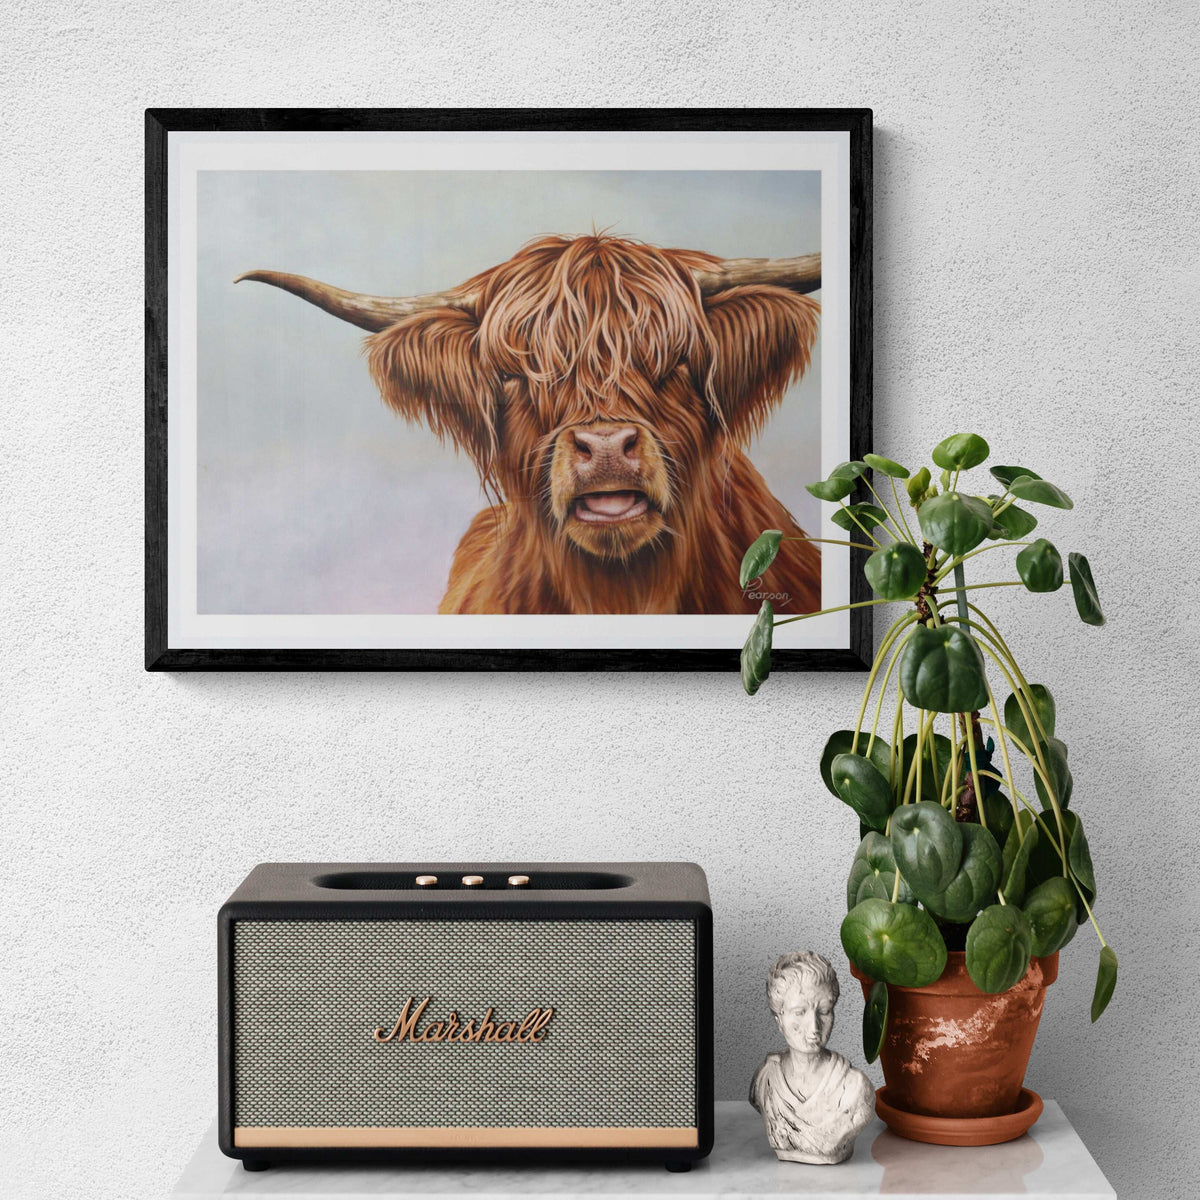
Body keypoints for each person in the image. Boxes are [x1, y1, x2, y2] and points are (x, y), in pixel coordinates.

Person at [749, 951, 874, 1164]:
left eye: (824, 1011)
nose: (814, 1027)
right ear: (779, 1019)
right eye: (799, 1012)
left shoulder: (854, 1088)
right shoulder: (765, 1079)